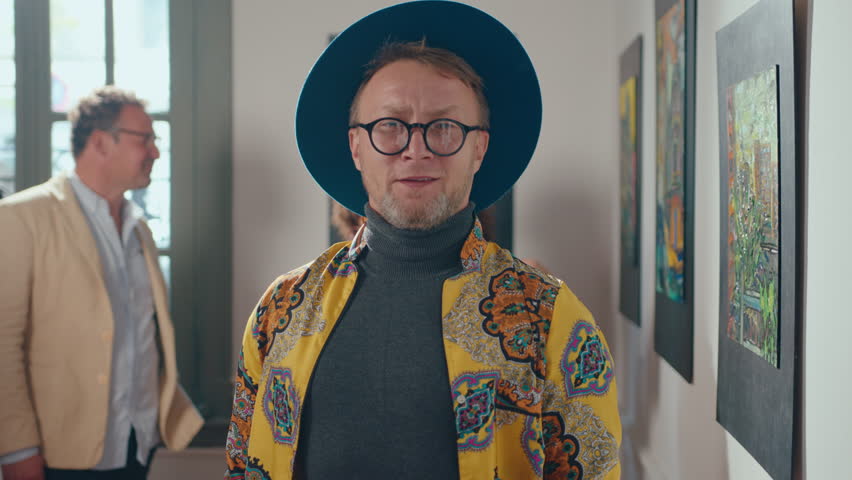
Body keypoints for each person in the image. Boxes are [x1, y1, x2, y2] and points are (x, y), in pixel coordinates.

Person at [225, 2, 621, 479]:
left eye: (444, 127)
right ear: (355, 147)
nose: (416, 149)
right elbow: (241, 467)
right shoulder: (281, 309)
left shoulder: (551, 319)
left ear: (479, 148)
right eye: (389, 126)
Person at [0, 86, 203, 480]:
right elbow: (2, 345)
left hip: (136, 445)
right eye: (145, 139)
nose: (156, 152)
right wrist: (16, 452)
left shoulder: (139, 228)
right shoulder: (20, 218)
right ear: (99, 142)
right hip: (57, 457)